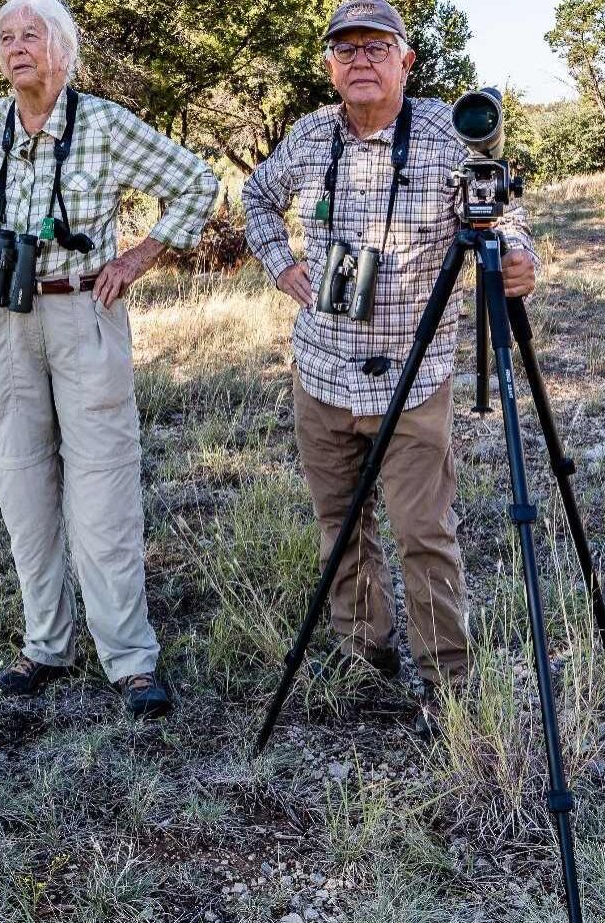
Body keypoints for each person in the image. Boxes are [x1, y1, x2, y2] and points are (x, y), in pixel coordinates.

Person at [0, 0, 219, 719]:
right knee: (20, 478)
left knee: (103, 482)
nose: (17, 47)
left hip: (85, 309)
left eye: (32, 35)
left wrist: (139, 256)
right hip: (3, 315)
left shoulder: (104, 123)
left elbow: (198, 183)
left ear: (64, 51)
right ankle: (46, 643)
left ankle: (130, 659)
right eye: (6, 37)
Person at [242, 0, 539, 736]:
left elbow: (501, 208)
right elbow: (255, 196)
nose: (362, 61)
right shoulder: (311, 135)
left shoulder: (445, 130)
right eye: (346, 51)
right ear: (330, 66)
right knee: (339, 525)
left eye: (378, 47)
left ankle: (450, 684)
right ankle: (360, 655)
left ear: (407, 61)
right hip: (321, 372)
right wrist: (283, 266)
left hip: (413, 372)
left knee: (422, 531)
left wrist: (522, 257)